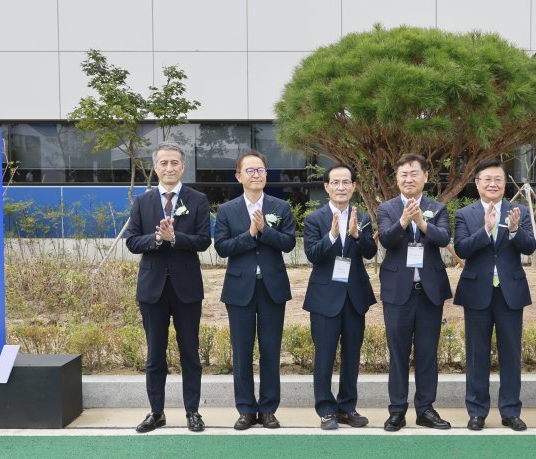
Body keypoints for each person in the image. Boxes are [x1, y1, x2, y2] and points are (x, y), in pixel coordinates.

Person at [125, 142, 212, 433]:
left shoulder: (197, 199)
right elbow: (132, 241)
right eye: (164, 163)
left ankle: (193, 412)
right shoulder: (143, 202)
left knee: (190, 352)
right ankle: (156, 412)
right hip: (152, 290)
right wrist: (158, 240)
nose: (169, 168)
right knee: (154, 355)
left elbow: (203, 240)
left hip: (187, 288)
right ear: (156, 167)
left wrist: (176, 238)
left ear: (183, 166)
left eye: (174, 162)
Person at [213, 150, 296, 430]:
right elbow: (222, 248)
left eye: (260, 170)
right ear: (239, 176)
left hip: (272, 288)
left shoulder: (280, 207)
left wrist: (265, 231)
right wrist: (249, 234)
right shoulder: (227, 210)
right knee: (242, 351)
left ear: (266, 174)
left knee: (271, 351)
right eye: (250, 170)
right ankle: (247, 410)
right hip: (239, 289)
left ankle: (269, 409)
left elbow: (288, 244)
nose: (256, 175)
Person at [453, 158, 536, 432]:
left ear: (504, 183)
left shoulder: (519, 210)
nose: (492, 184)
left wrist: (513, 230)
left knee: (511, 354)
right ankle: (477, 412)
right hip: (477, 292)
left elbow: (529, 247)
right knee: (477, 355)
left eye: (498, 179)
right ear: (477, 184)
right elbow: (462, 249)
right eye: (487, 179)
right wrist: (486, 229)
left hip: (510, 293)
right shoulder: (465, 214)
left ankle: (510, 411)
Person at [376, 154, 453, 432]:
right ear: (396, 178)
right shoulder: (386, 208)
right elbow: (385, 239)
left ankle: (425, 409)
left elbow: (444, 238)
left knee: (426, 353)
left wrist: (422, 223)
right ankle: (397, 410)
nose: (408, 179)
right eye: (403, 174)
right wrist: (404, 222)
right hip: (398, 292)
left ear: (425, 177)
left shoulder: (438, 207)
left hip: (429, 292)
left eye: (414, 173)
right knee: (397, 353)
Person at [302, 163, 378, 430]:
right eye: (335, 182)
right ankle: (326, 409)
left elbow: (370, 252)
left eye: (346, 182)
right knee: (324, 355)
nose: (341, 187)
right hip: (325, 298)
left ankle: (347, 407)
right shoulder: (314, 219)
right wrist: (333, 235)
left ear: (354, 186)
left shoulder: (364, 217)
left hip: (355, 296)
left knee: (352, 356)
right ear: (326, 187)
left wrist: (357, 235)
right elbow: (312, 254)